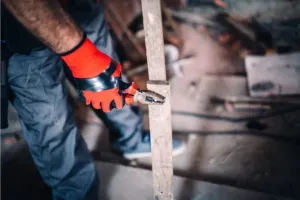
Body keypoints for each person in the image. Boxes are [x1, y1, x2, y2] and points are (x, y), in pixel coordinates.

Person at [1, 0, 185, 199]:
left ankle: (130, 138)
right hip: (19, 26)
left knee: (108, 72)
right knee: (47, 116)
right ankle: (76, 193)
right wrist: (80, 56)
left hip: (79, 7)